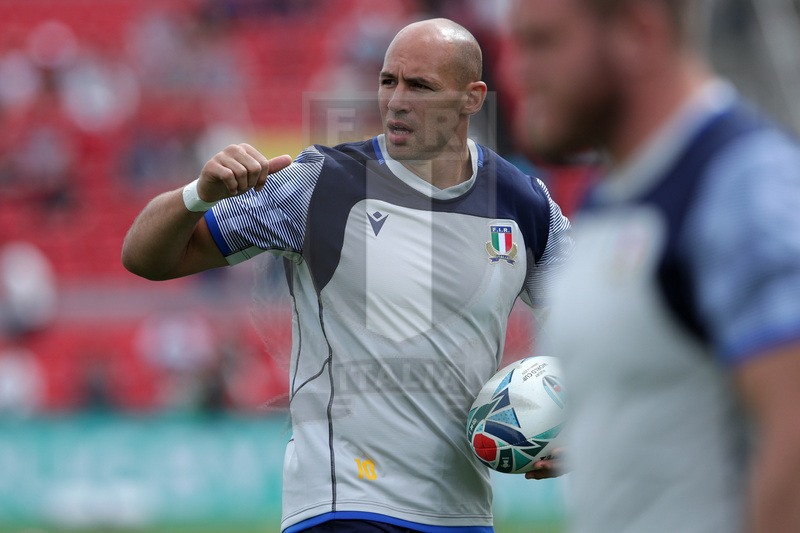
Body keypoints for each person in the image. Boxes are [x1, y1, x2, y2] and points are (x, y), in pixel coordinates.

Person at [122, 18, 572, 533]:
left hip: (464, 514)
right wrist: (196, 195)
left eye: (420, 86)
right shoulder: (319, 184)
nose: (396, 101)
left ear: (472, 98)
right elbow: (146, 258)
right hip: (343, 503)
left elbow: (593, 324)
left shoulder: (526, 204)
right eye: (388, 81)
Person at [508, 1, 800, 532]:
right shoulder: (608, 198)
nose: (516, 70)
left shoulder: (743, 186)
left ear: (637, 32)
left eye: (543, 43)